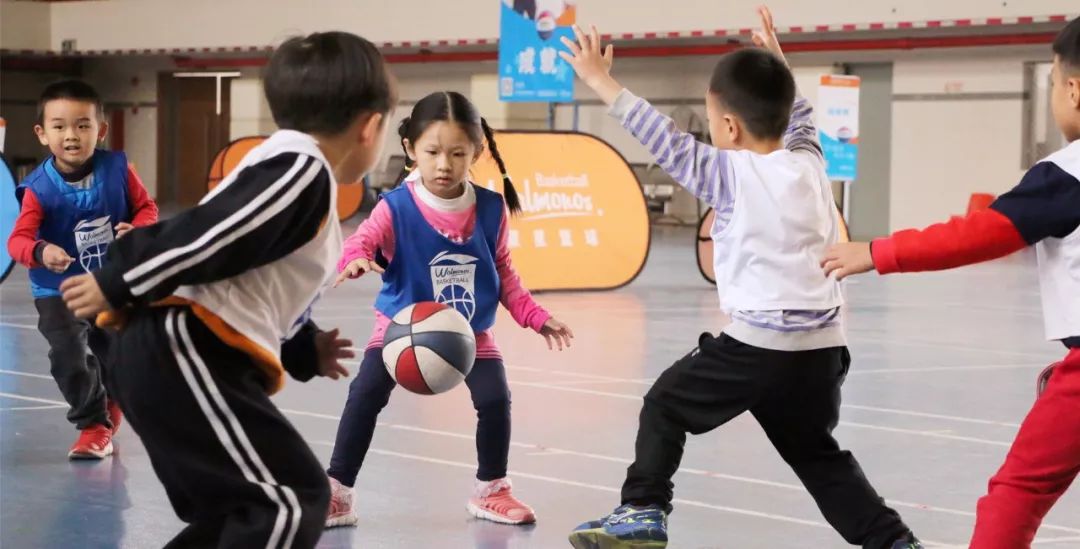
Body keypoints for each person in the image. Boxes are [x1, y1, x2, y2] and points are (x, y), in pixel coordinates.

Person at [559, 8, 921, 549]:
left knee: (665, 404)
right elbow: (797, 114)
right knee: (818, 456)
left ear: (727, 127)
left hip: (760, 346)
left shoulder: (729, 173)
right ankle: (893, 542)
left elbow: (664, 139)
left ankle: (641, 510)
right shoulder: (810, 163)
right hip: (822, 351)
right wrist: (779, 61)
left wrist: (599, 80)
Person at [58, 31, 396, 548]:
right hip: (183, 347)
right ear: (371, 127)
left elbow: (253, 283)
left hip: (187, 354)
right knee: (289, 498)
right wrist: (120, 279)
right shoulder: (302, 170)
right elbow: (213, 232)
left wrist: (304, 348)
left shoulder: (292, 169)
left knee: (244, 511)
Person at [822, 16, 1080, 549]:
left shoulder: (1067, 175)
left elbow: (977, 235)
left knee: (1016, 492)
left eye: (1054, 83)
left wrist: (877, 252)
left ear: (1074, 91)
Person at [325, 90, 574, 528]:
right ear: (410, 150)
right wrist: (356, 259)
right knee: (365, 396)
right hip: (402, 328)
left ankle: (492, 489)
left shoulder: (492, 208)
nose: (444, 164)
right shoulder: (395, 207)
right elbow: (360, 240)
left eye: (458, 153)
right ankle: (338, 492)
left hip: (468, 332)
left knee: (495, 398)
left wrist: (536, 316)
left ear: (476, 151)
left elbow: (504, 274)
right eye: (433, 152)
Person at [7, 78, 159, 459]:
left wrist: (137, 229)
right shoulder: (38, 188)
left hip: (109, 283)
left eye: (82, 125)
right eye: (59, 126)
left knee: (116, 354)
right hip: (59, 290)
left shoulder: (119, 169)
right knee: (68, 354)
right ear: (42, 134)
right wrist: (41, 252)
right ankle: (93, 425)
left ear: (100, 130)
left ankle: (113, 402)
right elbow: (17, 242)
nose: (71, 135)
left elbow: (147, 209)